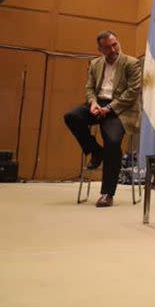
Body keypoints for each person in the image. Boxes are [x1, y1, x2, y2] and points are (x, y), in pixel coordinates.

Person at [64, 31, 141, 208]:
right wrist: (92, 103)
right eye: (107, 47)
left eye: (115, 44)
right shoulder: (95, 64)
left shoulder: (131, 63)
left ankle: (107, 193)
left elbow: (132, 92)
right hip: (98, 104)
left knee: (113, 142)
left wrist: (109, 108)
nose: (113, 49)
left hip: (120, 109)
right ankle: (95, 150)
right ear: (100, 49)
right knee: (72, 117)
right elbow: (89, 87)